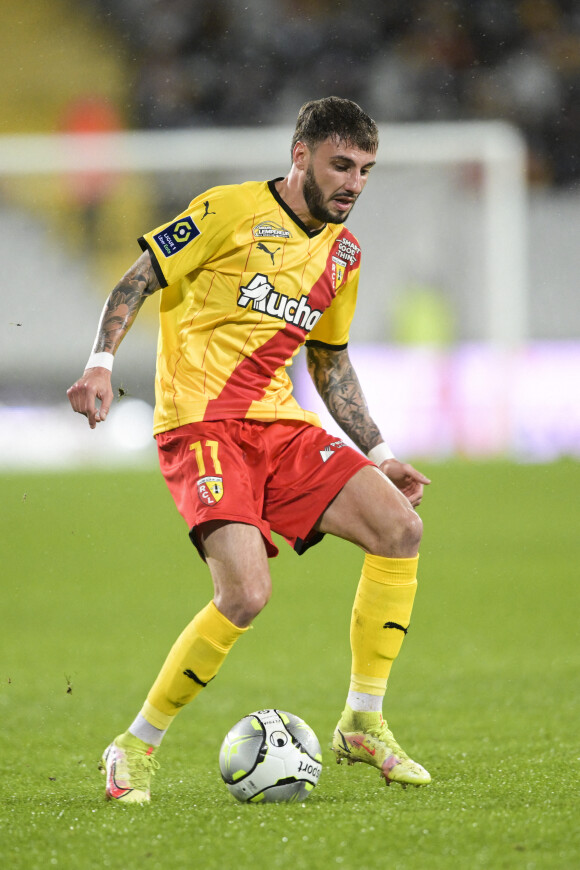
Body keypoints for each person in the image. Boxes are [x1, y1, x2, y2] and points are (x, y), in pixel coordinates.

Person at [68, 96, 432, 803]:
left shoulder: (344, 254)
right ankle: (134, 746)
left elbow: (329, 362)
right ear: (301, 156)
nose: (354, 182)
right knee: (245, 593)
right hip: (201, 425)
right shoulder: (228, 211)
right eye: (341, 165)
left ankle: (363, 719)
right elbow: (138, 277)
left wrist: (381, 451)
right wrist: (101, 364)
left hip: (279, 424)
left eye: (366, 169)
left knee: (400, 527)